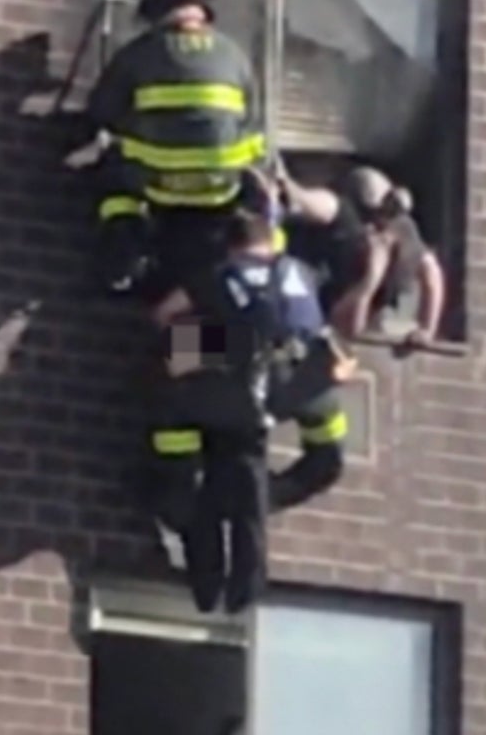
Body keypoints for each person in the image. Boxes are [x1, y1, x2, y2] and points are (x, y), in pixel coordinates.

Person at [145, 209, 353, 612]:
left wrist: (195, 342)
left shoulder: (221, 274)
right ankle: (248, 581)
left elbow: (164, 317)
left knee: (202, 465)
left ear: (233, 245)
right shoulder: (300, 272)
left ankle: (208, 578)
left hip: (232, 390)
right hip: (298, 385)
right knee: (255, 477)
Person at [83, 0, 273, 298]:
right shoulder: (235, 55)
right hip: (222, 192)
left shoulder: (138, 54)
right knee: (196, 290)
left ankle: (120, 253)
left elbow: (101, 113)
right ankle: (192, 346)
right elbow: (254, 126)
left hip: (160, 187)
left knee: (109, 168)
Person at [280, 164, 446, 351]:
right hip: (314, 254)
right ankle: (290, 193)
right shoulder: (350, 225)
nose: (375, 230)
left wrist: (426, 329)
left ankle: (293, 194)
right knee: (336, 214)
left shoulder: (397, 237)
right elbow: (333, 209)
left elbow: (349, 331)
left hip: (323, 304)